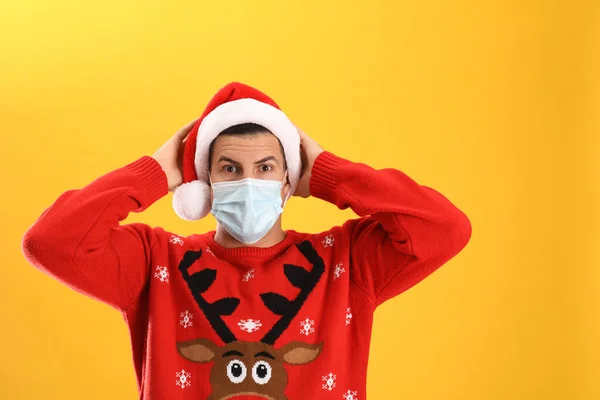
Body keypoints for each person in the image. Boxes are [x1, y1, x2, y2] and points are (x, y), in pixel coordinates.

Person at [21, 82, 472, 399]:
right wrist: (155, 173)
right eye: (230, 169)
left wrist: (334, 175)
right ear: (204, 182)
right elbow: (51, 241)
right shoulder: (153, 261)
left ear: (289, 181)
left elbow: (444, 229)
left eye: (266, 167)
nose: (249, 181)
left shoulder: (349, 261)